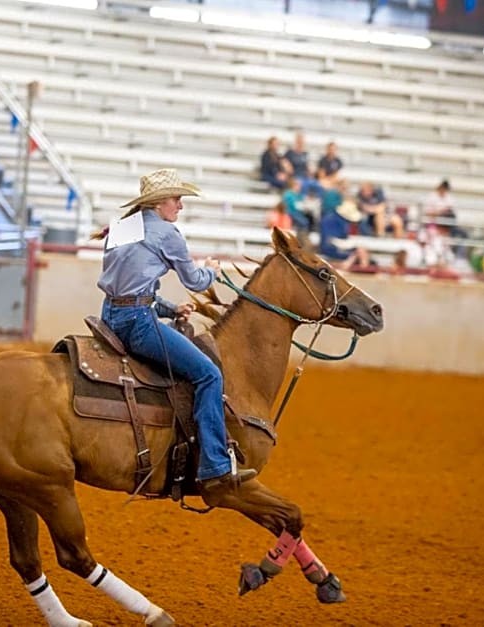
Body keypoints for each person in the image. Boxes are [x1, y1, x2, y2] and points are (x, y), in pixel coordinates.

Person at [95, 169, 257, 491]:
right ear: (158, 203)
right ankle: (215, 465)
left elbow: (129, 283)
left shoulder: (123, 227)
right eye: (176, 199)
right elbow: (194, 281)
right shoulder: (167, 233)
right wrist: (212, 271)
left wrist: (169, 309)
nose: (180, 206)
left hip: (110, 315)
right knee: (209, 374)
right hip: (137, 322)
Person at [318, 194, 371, 271]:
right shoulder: (331, 220)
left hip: (336, 247)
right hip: (331, 249)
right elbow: (331, 241)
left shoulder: (336, 219)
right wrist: (353, 245)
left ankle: (354, 268)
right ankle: (351, 269)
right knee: (360, 251)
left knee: (361, 251)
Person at [282, 132, 322, 198]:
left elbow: (308, 166)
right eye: (299, 141)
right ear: (296, 141)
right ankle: (301, 201)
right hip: (295, 176)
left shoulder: (305, 154)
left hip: (305, 177)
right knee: (303, 185)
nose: (300, 143)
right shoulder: (290, 152)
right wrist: (287, 166)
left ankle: (317, 201)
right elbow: (283, 161)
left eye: (302, 141)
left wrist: (310, 171)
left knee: (318, 186)